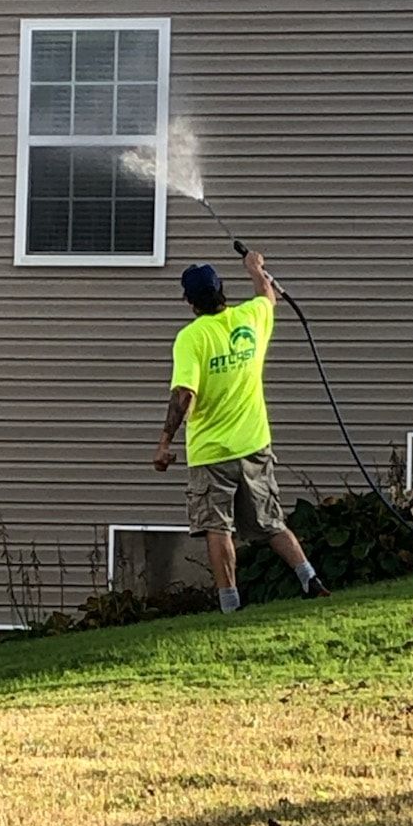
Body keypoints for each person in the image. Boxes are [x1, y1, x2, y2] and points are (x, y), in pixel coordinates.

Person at [152, 251, 330, 612]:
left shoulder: (192, 338)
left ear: (188, 301)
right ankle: (309, 577)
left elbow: (184, 394)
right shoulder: (252, 317)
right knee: (270, 521)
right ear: (221, 290)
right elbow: (268, 295)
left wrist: (164, 442)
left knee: (217, 528)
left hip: (212, 451)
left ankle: (230, 604)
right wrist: (254, 267)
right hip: (254, 443)